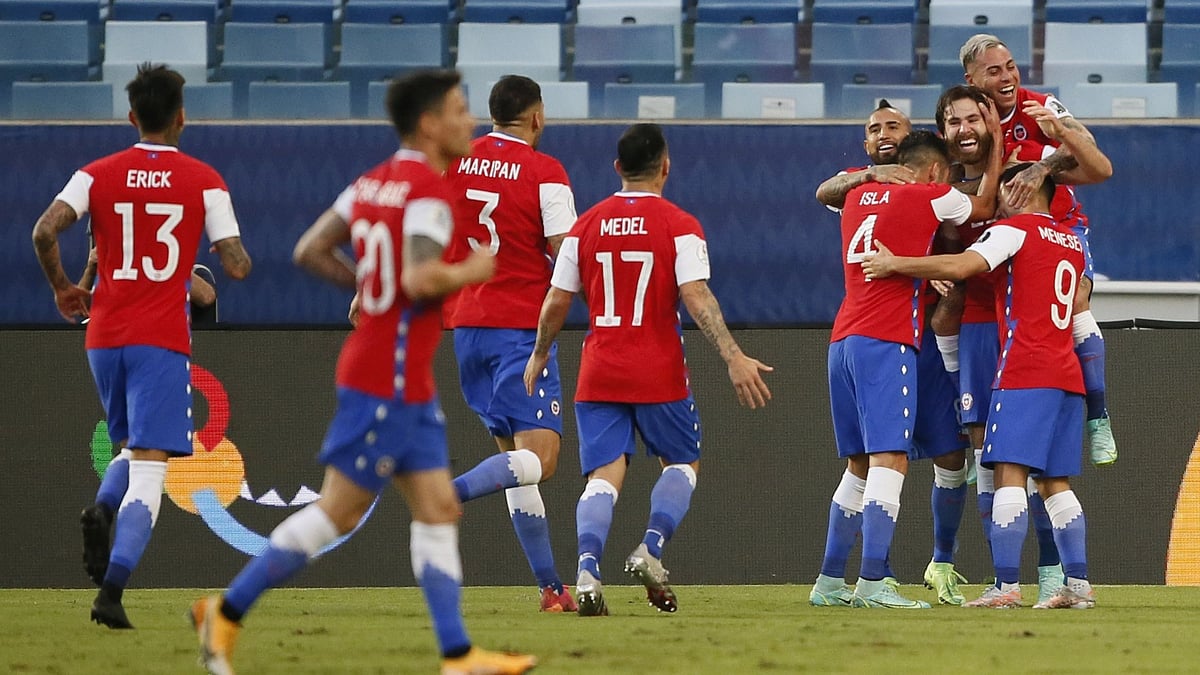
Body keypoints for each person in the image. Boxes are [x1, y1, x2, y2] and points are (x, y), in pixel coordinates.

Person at [189, 69, 536, 675]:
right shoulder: (430, 192)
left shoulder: (370, 184)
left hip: (398, 374)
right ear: (429, 124)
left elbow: (308, 250)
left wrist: (366, 287)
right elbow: (422, 278)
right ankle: (226, 610)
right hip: (388, 377)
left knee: (438, 509)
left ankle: (457, 655)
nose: (469, 121)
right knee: (337, 514)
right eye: (458, 110)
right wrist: (474, 270)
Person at [31, 63, 252, 629]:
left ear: (132, 117)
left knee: (131, 446)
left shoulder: (95, 174)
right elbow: (235, 263)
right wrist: (219, 255)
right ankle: (111, 591)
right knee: (153, 469)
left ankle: (102, 509)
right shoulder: (205, 179)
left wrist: (65, 288)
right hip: (160, 337)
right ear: (183, 117)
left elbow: (44, 230)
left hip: (104, 335)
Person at [523, 123, 772, 616]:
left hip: (600, 370)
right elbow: (695, 296)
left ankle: (588, 570)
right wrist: (733, 356)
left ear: (617, 168)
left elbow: (556, 299)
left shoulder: (585, 225)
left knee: (602, 475)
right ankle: (650, 548)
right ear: (666, 166)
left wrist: (539, 352)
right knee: (681, 463)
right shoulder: (680, 224)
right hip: (657, 369)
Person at [863, 162, 1097, 610]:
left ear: (1030, 188)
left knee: (1008, 474)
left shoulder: (1015, 231)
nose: (1004, 194)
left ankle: (1006, 587)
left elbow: (961, 264)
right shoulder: (1071, 242)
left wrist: (896, 263)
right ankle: (1079, 587)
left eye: (1011, 184)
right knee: (1055, 482)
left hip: (1024, 371)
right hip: (1066, 375)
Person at [811, 130, 1000, 610]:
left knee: (856, 465)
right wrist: (995, 151)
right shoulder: (932, 194)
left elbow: (826, 191)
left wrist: (866, 174)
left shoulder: (855, 193)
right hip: (886, 338)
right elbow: (981, 209)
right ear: (936, 171)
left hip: (842, 339)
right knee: (889, 458)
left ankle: (830, 582)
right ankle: (873, 582)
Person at [441, 75, 578, 612]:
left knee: (517, 464)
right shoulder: (545, 172)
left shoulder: (454, 159)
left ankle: (550, 589)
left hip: (467, 329)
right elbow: (567, 255)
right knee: (541, 459)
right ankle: (445, 494)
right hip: (521, 327)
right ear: (537, 117)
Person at [959, 33, 1118, 465]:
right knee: (961, 299)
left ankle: (1098, 417)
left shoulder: (1041, 106)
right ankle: (970, 432)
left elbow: (1097, 162)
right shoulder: (964, 118)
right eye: (995, 70)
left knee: (1075, 301)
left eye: (1010, 66)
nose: (1008, 76)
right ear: (971, 78)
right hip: (1000, 232)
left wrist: (1049, 154)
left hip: (1058, 226)